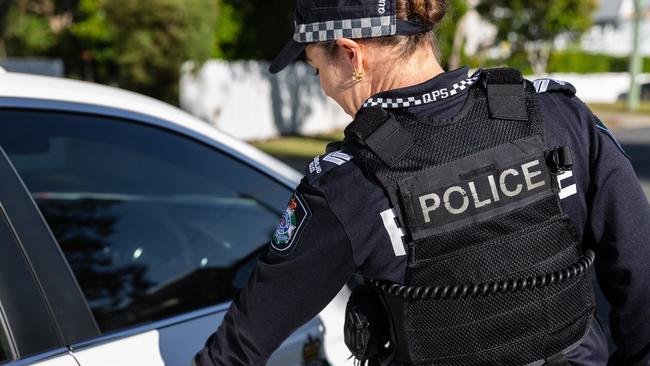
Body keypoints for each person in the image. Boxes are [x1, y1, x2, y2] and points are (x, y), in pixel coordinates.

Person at [194, 0, 650, 365]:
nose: (323, 88)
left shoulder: (348, 183)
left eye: (317, 69)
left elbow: (243, 343)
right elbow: (640, 275)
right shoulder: (558, 116)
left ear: (352, 55)